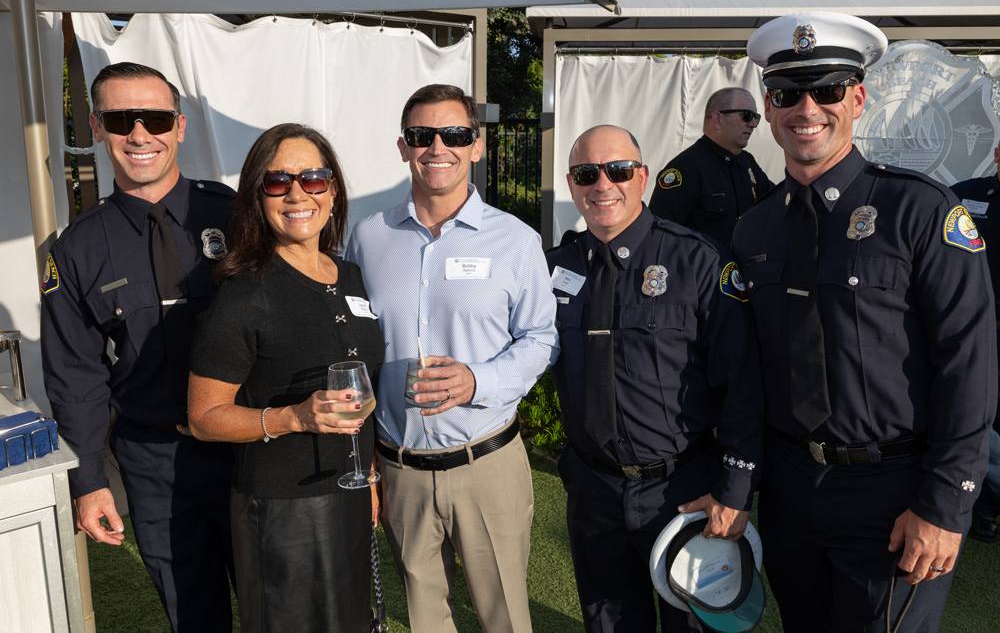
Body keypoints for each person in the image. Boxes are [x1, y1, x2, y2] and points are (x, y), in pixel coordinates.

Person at [734, 12, 997, 630]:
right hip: (792, 489)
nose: (807, 109)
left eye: (826, 89)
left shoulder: (919, 209)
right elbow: (748, 369)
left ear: (857, 99)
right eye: (786, 94)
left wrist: (946, 502)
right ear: (768, 110)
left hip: (895, 489)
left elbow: (969, 362)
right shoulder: (754, 227)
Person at [345, 84, 558, 633]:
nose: (438, 147)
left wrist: (477, 381)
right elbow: (355, 343)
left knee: (504, 617)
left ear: (476, 145)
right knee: (425, 619)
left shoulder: (515, 240)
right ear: (403, 147)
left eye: (455, 134)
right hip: (401, 469)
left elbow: (541, 338)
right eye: (422, 135)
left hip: (485, 463)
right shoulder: (368, 237)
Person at [40, 62, 235, 631]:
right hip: (156, 465)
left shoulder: (232, 213)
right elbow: (75, 375)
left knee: (279, 606)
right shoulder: (77, 250)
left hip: (247, 447)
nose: (140, 134)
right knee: (193, 617)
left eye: (154, 118)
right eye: (122, 119)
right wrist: (88, 480)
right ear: (97, 127)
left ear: (180, 126)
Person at [546, 124, 763, 632]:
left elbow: (742, 384)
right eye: (586, 173)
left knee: (695, 623)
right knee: (609, 622)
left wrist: (734, 490)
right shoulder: (552, 268)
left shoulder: (697, 260)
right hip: (593, 490)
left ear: (642, 177)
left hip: (682, 489)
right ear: (572, 184)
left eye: (618, 170)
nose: (603, 184)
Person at [186, 123, 382, 631]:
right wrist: (293, 417)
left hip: (349, 493)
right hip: (282, 510)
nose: (297, 194)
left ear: (332, 191)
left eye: (312, 178)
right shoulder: (245, 292)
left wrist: (369, 476)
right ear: (258, 197)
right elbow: (204, 417)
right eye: (277, 182)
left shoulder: (349, 276)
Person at [951, 142, 1000, 543]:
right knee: (980, 417)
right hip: (975, 330)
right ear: (997, 154)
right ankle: (982, 509)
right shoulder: (964, 195)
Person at [649, 87, 774, 243]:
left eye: (756, 117)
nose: (753, 124)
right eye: (746, 116)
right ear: (717, 119)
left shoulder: (746, 162)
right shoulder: (685, 169)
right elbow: (660, 236)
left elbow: (774, 201)